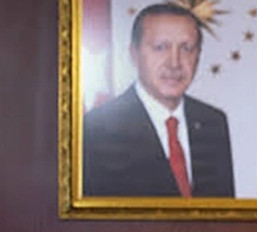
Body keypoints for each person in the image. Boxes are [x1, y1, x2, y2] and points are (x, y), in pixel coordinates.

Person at [82, 3, 234, 197]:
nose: (174, 63)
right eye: (160, 47)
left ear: (198, 56)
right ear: (134, 54)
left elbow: (224, 210)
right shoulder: (97, 128)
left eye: (186, 48)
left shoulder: (213, 122)